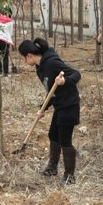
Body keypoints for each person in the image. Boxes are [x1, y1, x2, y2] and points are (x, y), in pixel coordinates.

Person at [18, 37, 81, 185]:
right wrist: (43, 108)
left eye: (23, 58)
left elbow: (76, 74)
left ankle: (69, 176)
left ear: (29, 56)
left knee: (65, 140)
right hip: (60, 105)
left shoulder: (51, 63)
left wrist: (65, 81)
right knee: (53, 135)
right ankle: (52, 167)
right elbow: (51, 91)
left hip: (69, 105)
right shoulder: (40, 68)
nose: (24, 62)